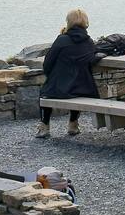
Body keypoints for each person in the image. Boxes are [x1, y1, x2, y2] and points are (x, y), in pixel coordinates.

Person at [39, 9, 99, 138]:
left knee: (47, 89)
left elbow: (47, 63)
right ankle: (73, 123)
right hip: (83, 89)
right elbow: (91, 61)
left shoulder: (62, 40)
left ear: (69, 22)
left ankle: (44, 126)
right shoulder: (88, 42)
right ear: (86, 22)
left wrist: (51, 76)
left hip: (59, 89)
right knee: (75, 86)